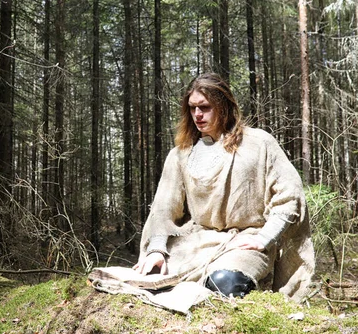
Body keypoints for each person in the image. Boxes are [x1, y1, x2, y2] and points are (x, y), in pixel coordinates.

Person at [131, 72, 314, 301]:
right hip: (197, 243)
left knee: (224, 283)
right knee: (151, 279)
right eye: (192, 108)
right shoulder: (180, 155)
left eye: (205, 107)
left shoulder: (259, 143)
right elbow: (164, 208)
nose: (197, 114)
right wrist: (157, 249)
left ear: (223, 106)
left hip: (245, 243)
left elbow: (290, 197)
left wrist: (263, 238)